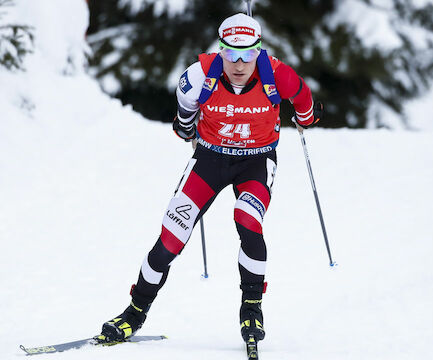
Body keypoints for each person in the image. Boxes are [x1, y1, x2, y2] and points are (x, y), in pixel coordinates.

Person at [95, 13, 321, 345]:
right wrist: (186, 128)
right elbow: (184, 119)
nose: (240, 63)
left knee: (247, 219)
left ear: (259, 50)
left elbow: (303, 97)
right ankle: (134, 313)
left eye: (248, 53)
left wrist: (306, 117)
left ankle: (252, 308)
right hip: (210, 161)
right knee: (171, 237)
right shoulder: (198, 76)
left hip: (256, 163)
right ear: (220, 50)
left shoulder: (276, 74)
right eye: (231, 53)